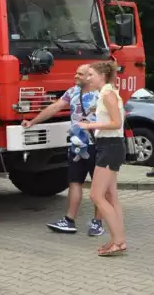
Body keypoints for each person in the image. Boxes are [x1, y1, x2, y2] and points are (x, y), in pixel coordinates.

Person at [21, 64, 104, 236]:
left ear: (90, 76)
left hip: (99, 145)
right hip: (76, 145)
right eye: (76, 72)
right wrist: (33, 121)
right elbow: (54, 107)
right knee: (74, 181)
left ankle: (98, 222)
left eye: (80, 74)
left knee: (99, 186)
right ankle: (69, 220)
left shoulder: (103, 93)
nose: (76, 76)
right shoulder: (72, 91)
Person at [79, 61, 127, 256]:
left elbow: (116, 123)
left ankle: (118, 241)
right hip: (109, 146)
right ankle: (118, 240)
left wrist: (90, 126)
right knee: (110, 196)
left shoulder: (107, 94)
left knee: (96, 195)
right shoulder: (106, 94)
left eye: (90, 74)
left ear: (102, 76)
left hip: (110, 147)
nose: (87, 78)